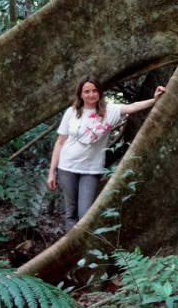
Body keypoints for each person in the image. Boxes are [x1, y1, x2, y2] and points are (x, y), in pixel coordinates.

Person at [47, 75, 166, 231]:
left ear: (100, 92)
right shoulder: (72, 112)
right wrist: (51, 172)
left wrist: (154, 100)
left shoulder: (109, 111)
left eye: (94, 91)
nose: (91, 95)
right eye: (87, 91)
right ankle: (71, 252)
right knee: (71, 212)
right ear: (80, 94)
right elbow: (60, 143)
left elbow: (132, 107)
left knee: (85, 215)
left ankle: (82, 252)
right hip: (67, 167)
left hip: (91, 169)